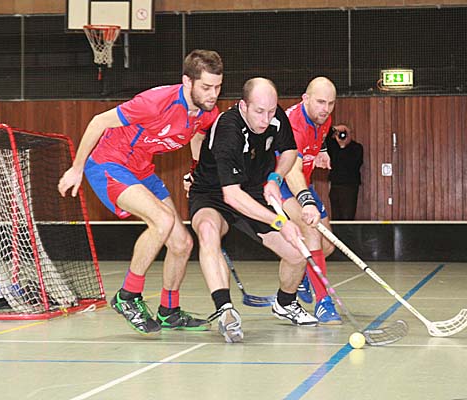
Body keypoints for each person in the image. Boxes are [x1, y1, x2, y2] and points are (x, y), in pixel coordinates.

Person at [58, 49, 224, 335]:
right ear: (188, 81)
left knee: (182, 243)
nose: (213, 94)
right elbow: (98, 121)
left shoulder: (208, 112)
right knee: (162, 220)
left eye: (218, 87)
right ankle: (127, 296)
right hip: (109, 163)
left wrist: (195, 170)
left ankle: (169, 311)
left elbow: (199, 134)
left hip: (142, 169)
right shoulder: (155, 102)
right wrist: (77, 167)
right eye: (206, 87)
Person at [189, 77, 318, 343]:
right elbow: (231, 195)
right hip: (213, 194)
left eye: (270, 111)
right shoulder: (228, 129)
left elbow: (290, 152)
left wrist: (275, 178)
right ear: (243, 106)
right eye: (259, 112)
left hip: (254, 191)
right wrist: (281, 222)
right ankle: (225, 311)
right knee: (208, 231)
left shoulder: (274, 115)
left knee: (297, 254)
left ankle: (285, 303)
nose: (266, 119)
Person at [282, 77, 341, 324]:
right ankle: (323, 302)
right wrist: (306, 202)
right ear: (305, 99)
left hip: (302, 181)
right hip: (279, 182)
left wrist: (322, 150)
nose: (326, 109)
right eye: (320, 102)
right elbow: (291, 170)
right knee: (311, 233)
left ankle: (305, 274)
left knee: (328, 245)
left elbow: (318, 134)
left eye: (330, 103)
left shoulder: (323, 118)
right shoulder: (293, 126)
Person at [326, 123, 363, 220]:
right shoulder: (333, 146)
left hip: (350, 186)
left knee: (348, 216)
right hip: (335, 185)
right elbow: (324, 137)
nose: (342, 135)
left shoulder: (356, 148)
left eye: (345, 132)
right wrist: (334, 129)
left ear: (350, 133)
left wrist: (343, 147)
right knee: (336, 216)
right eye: (340, 133)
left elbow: (354, 164)